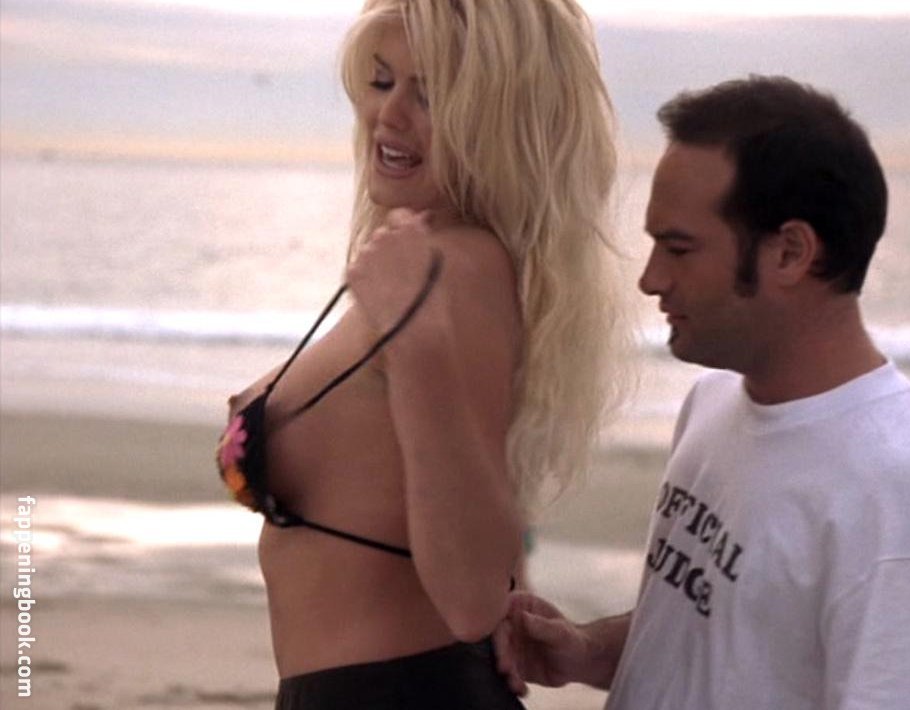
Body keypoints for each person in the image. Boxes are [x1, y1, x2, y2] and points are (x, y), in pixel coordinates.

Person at [494, 75, 910, 709]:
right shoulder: (715, 402)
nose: (650, 279)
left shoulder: (899, 499)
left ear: (790, 252)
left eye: (678, 248)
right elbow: (721, 633)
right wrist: (588, 651)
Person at [215, 0, 626, 707]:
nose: (391, 114)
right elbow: (478, 479)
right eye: (382, 82)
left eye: (430, 95)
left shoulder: (455, 270)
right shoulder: (430, 259)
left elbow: (469, 599)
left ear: (498, 120)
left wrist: (416, 349)